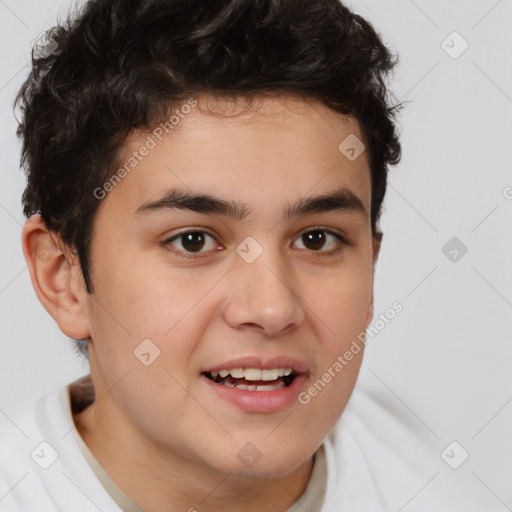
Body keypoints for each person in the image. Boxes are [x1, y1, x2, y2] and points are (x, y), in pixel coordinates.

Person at [0, 0, 471, 510]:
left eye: (317, 239)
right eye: (193, 240)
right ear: (62, 277)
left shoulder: (425, 478)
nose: (272, 309)